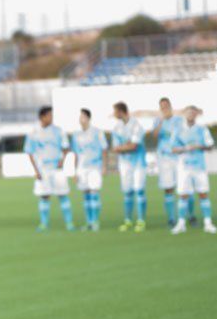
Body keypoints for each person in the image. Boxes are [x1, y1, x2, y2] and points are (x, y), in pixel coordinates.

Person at [25, 105, 74, 231]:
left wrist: (62, 161)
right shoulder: (33, 133)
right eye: (49, 115)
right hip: (42, 168)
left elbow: (66, 147)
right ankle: (44, 223)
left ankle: (69, 223)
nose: (51, 118)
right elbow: (29, 152)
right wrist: (35, 170)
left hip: (57, 168)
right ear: (42, 117)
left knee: (63, 194)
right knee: (44, 195)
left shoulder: (58, 130)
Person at [170, 106, 217, 234]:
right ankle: (181, 223)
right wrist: (185, 148)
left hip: (199, 167)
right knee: (183, 195)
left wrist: (199, 146)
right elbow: (173, 148)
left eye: (193, 112)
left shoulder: (202, 129)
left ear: (196, 114)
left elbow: (210, 145)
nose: (190, 114)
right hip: (184, 167)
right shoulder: (178, 130)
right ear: (184, 114)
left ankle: (208, 223)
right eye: (188, 112)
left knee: (203, 193)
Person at [152, 97, 193, 227]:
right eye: (162, 107)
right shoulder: (158, 121)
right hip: (164, 157)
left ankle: (190, 215)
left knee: (184, 187)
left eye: (166, 106)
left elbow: (184, 135)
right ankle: (171, 217)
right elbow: (154, 135)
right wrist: (161, 121)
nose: (164, 109)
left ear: (170, 106)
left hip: (178, 156)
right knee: (168, 188)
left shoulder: (179, 120)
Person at [112, 101, 148, 232]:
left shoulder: (136, 125)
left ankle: (141, 221)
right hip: (125, 164)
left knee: (139, 190)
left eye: (115, 111)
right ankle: (127, 220)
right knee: (127, 192)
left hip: (138, 163)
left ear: (121, 111)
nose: (114, 114)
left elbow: (134, 146)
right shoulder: (116, 127)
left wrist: (124, 147)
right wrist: (126, 146)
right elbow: (115, 148)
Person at [71, 108, 108, 231]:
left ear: (88, 118)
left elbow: (104, 149)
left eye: (83, 117)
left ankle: (95, 221)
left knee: (94, 193)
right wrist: (75, 171)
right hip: (82, 168)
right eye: (79, 117)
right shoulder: (76, 135)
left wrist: (104, 166)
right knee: (86, 195)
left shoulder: (97, 132)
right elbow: (76, 154)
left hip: (95, 167)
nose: (80, 119)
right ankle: (88, 222)